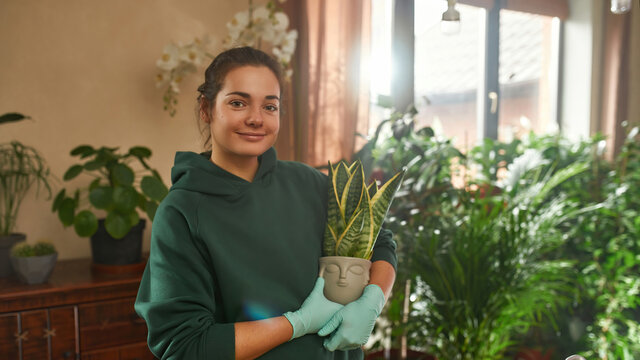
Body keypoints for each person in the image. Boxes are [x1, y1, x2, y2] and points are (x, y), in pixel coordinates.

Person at [135, 46, 397, 360]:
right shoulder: (182, 213)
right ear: (206, 109)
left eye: (269, 106)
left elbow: (380, 242)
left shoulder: (309, 182)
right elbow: (186, 346)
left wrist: (373, 299)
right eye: (237, 103)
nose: (256, 118)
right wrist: (297, 324)